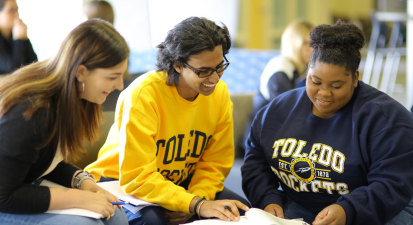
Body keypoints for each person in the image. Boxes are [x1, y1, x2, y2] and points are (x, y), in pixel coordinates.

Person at [241, 20, 413, 225]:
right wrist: (267, 198)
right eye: (315, 82)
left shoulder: (387, 120)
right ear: (307, 72)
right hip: (301, 205)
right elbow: (255, 159)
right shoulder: (278, 110)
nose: (324, 93)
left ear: (355, 78)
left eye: (336, 85)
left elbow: (392, 184)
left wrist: (348, 210)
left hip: (377, 209)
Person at [85, 16, 250, 225]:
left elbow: (215, 163)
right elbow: (138, 177)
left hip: (179, 184)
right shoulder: (144, 95)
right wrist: (195, 204)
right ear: (178, 65)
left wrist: (197, 198)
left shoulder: (220, 94)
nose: (215, 79)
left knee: (242, 212)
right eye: (203, 71)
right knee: (153, 223)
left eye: (219, 67)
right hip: (121, 184)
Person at [0, 19, 130, 225]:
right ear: (80, 72)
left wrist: (82, 181)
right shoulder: (32, 110)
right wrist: (79, 198)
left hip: (22, 183)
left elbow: (43, 159)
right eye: (112, 77)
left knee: (116, 216)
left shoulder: (71, 95)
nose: (119, 85)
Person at [238, 19, 314, 153]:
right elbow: (287, 114)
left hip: (274, 139)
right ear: (293, 44)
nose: (311, 49)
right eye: (305, 43)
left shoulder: (297, 71)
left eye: (314, 44)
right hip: (257, 145)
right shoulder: (280, 70)